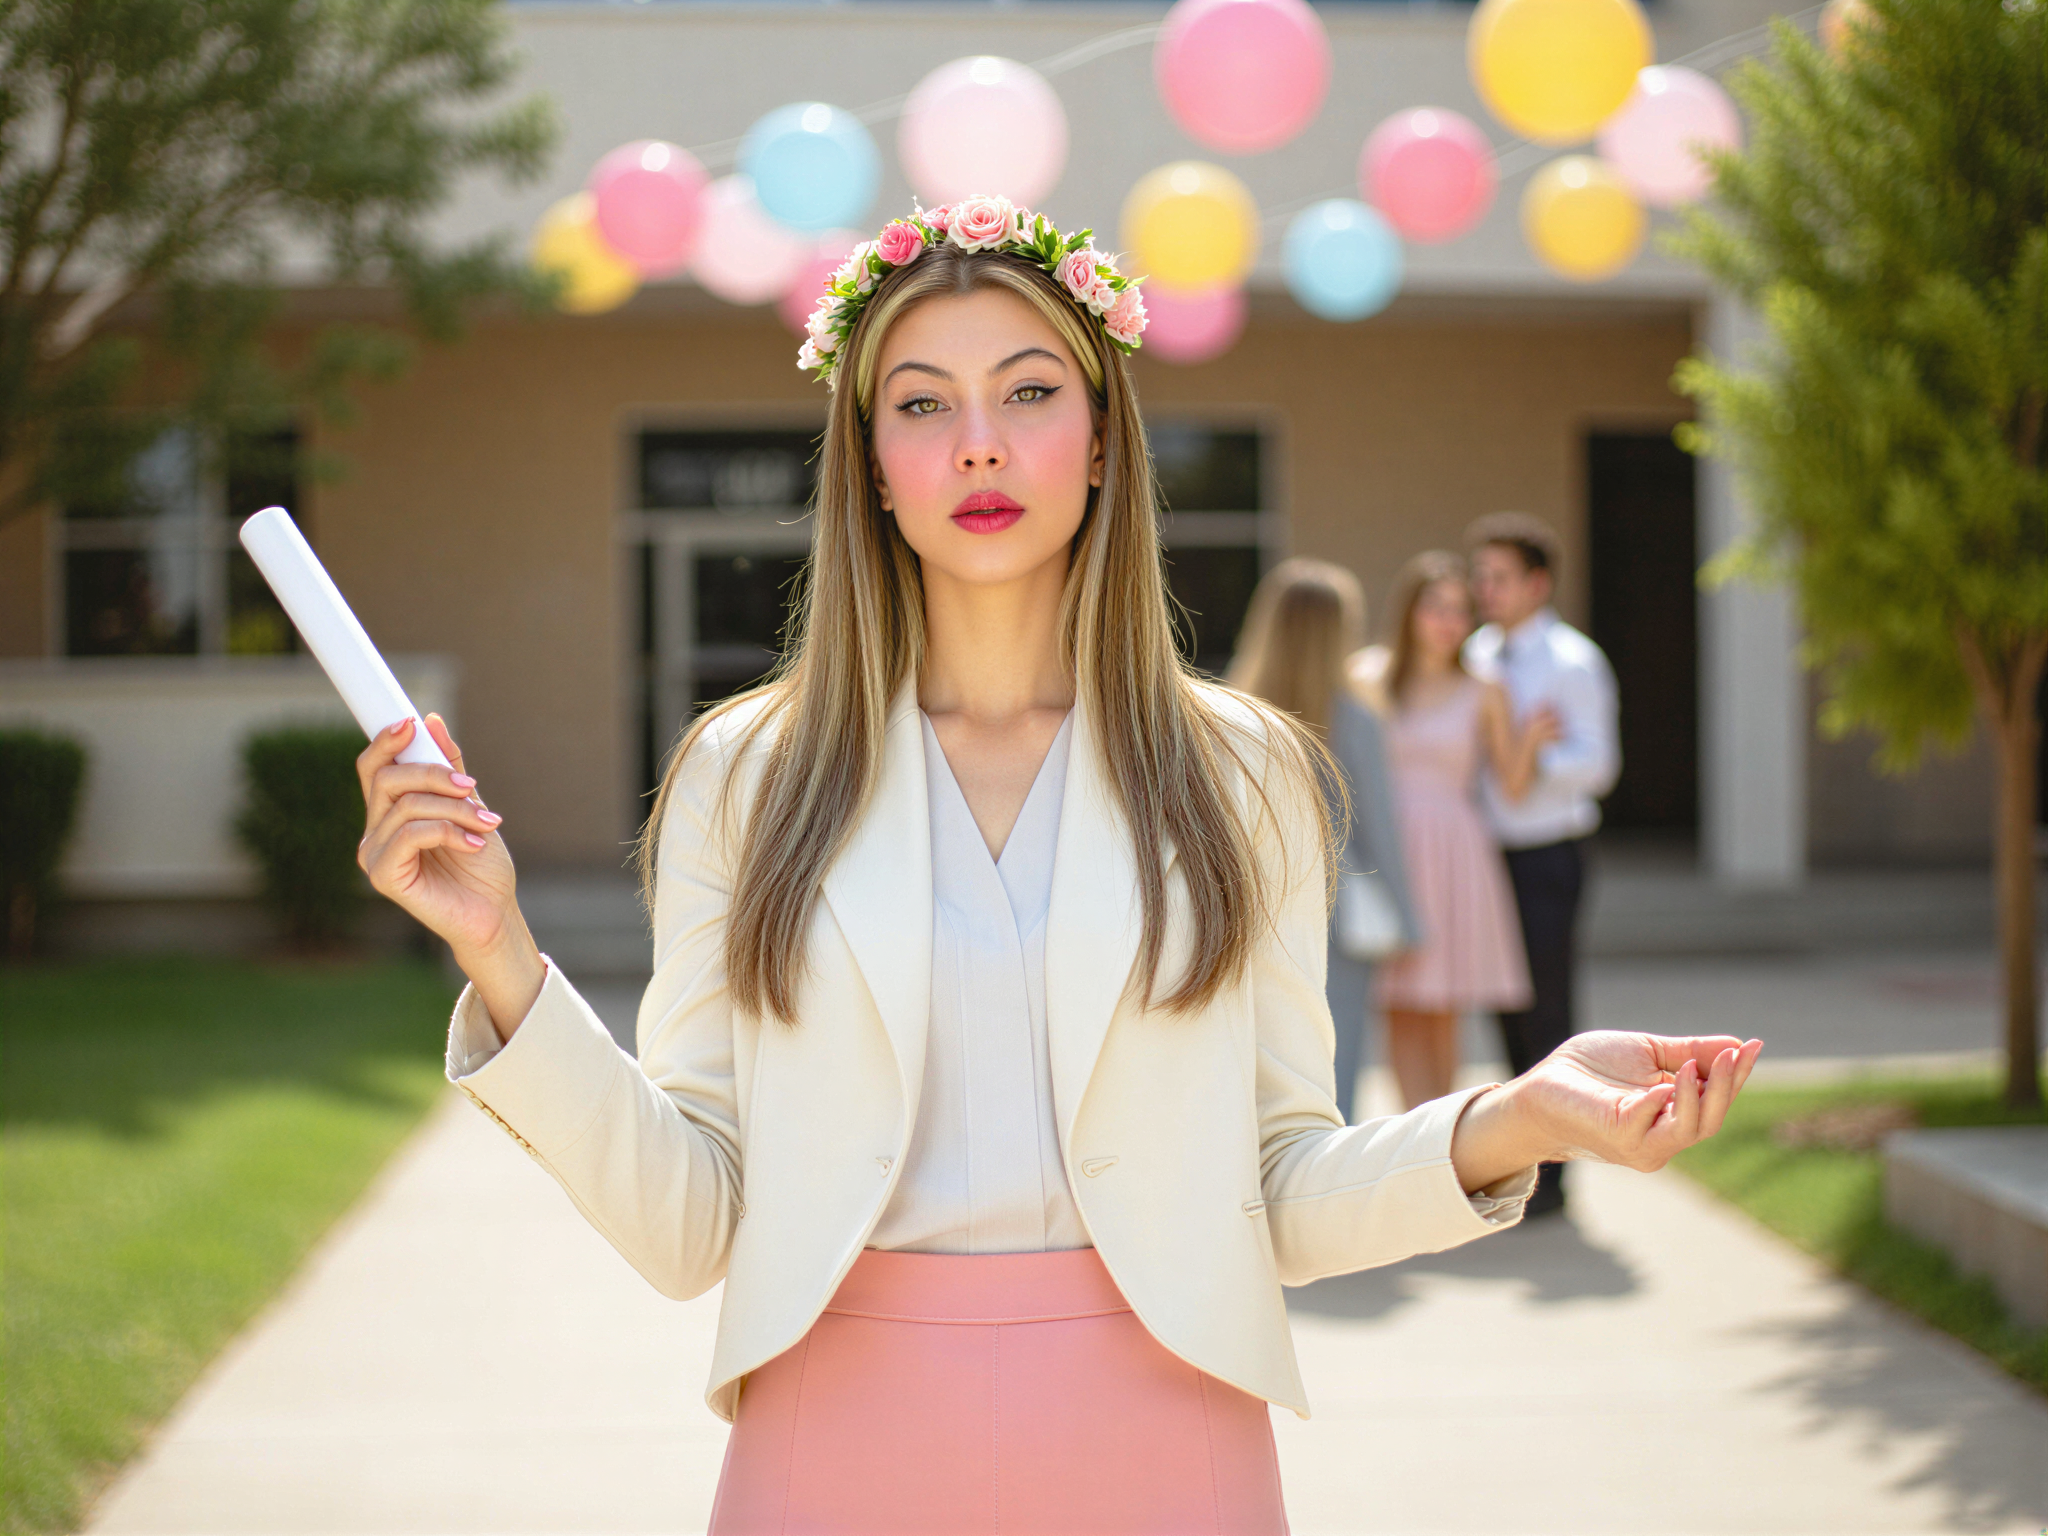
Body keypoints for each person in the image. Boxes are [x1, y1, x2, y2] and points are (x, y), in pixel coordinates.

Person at [352, 196, 1757, 1533]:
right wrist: (502, 956)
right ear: (871, 463)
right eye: (921, 403)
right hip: (833, 1437)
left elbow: (1275, 1186)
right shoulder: (748, 771)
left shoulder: (1245, 770)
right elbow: (689, 1220)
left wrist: (1517, 1116)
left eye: (1028, 391)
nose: (978, 444)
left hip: (1168, 1426)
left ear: (1100, 443)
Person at [1354, 551, 1557, 1112]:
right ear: (1409, 611)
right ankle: (1405, 1131)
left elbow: (1512, 785)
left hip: (1454, 848)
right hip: (1389, 849)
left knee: (1443, 1005)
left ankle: (1439, 1136)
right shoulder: (1367, 675)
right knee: (1396, 1002)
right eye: (1435, 607)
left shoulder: (1485, 686)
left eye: (1460, 611)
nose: (1448, 621)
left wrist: (1534, 740)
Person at [1464, 511, 1622, 1221]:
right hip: (1484, 856)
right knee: (1502, 1010)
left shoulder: (1573, 660)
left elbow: (1600, 764)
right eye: (1481, 576)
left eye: (1498, 577)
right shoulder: (1473, 654)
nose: (1484, 589)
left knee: (1548, 1014)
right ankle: (1519, 1160)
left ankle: (1559, 1179)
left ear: (1538, 582)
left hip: (1549, 855)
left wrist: (1530, 757)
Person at [1226, 557, 1420, 1123]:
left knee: (1258, 1062)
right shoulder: (1354, 720)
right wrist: (1408, 921)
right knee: (1337, 1061)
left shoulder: (1233, 715)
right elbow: (1379, 833)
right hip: (1337, 918)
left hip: (1250, 906)